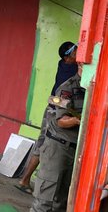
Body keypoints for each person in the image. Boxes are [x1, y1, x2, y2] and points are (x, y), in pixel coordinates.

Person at [16, 42, 78, 194]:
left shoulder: (63, 63)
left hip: (53, 109)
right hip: (55, 111)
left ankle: (26, 180)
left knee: (43, 143)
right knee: (45, 144)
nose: (79, 53)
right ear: (68, 57)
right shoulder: (71, 69)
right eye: (76, 51)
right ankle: (26, 180)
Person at [30, 63, 84, 212]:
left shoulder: (94, 88)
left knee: (62, 202)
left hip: (76, 151)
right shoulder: (68, 87)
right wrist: (81, 120)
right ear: (81, 63)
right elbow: (62, 121)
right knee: (45, 201)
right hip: (58, 148)